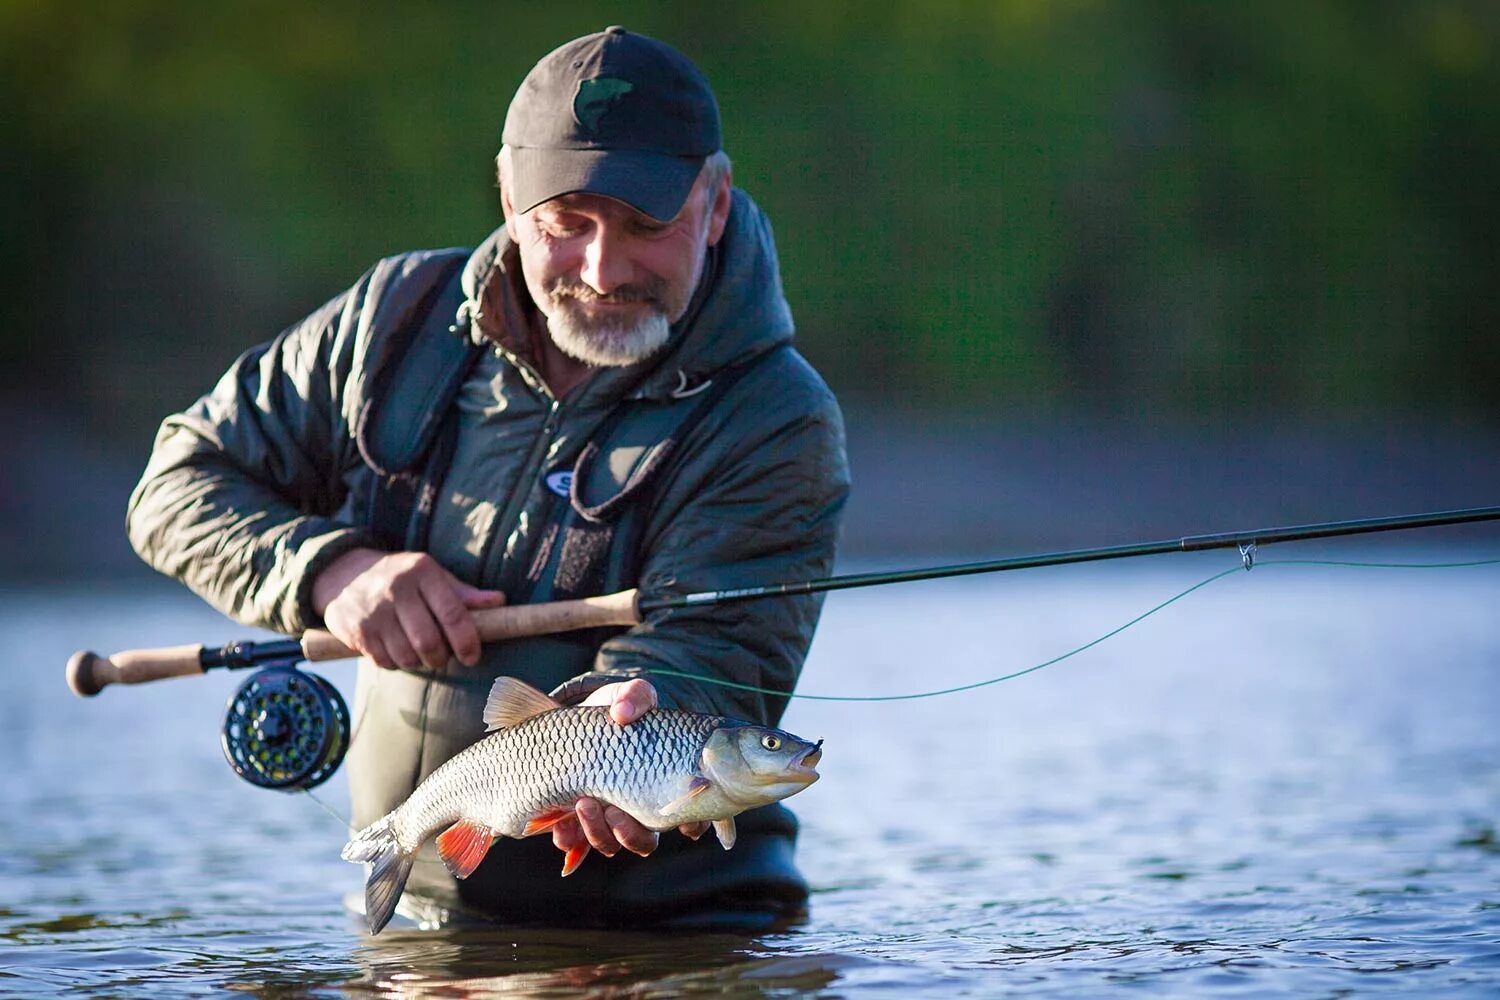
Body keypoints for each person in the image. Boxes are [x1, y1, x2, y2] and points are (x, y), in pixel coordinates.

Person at [126, 26, 848, 930]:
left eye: (644, 225)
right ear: (509, 197)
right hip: (413, 929)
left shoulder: (777, 418)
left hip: (680, 936)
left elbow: (711, 664)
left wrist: (635, 712)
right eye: (566, 223)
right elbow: (175, 482)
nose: (601, 268)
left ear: (713, 201)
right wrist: (330, 572)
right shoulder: (395, 321)